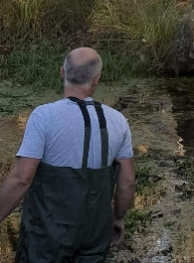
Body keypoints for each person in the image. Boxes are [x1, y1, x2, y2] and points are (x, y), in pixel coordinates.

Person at [0, 47, 136, 261]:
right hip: (95, 237)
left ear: (62, 72)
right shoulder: (118, 121)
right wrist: (118, 218)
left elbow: (22, 178)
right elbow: (127, 181)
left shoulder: (44, 116)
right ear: (96, 80)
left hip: (47, 239)